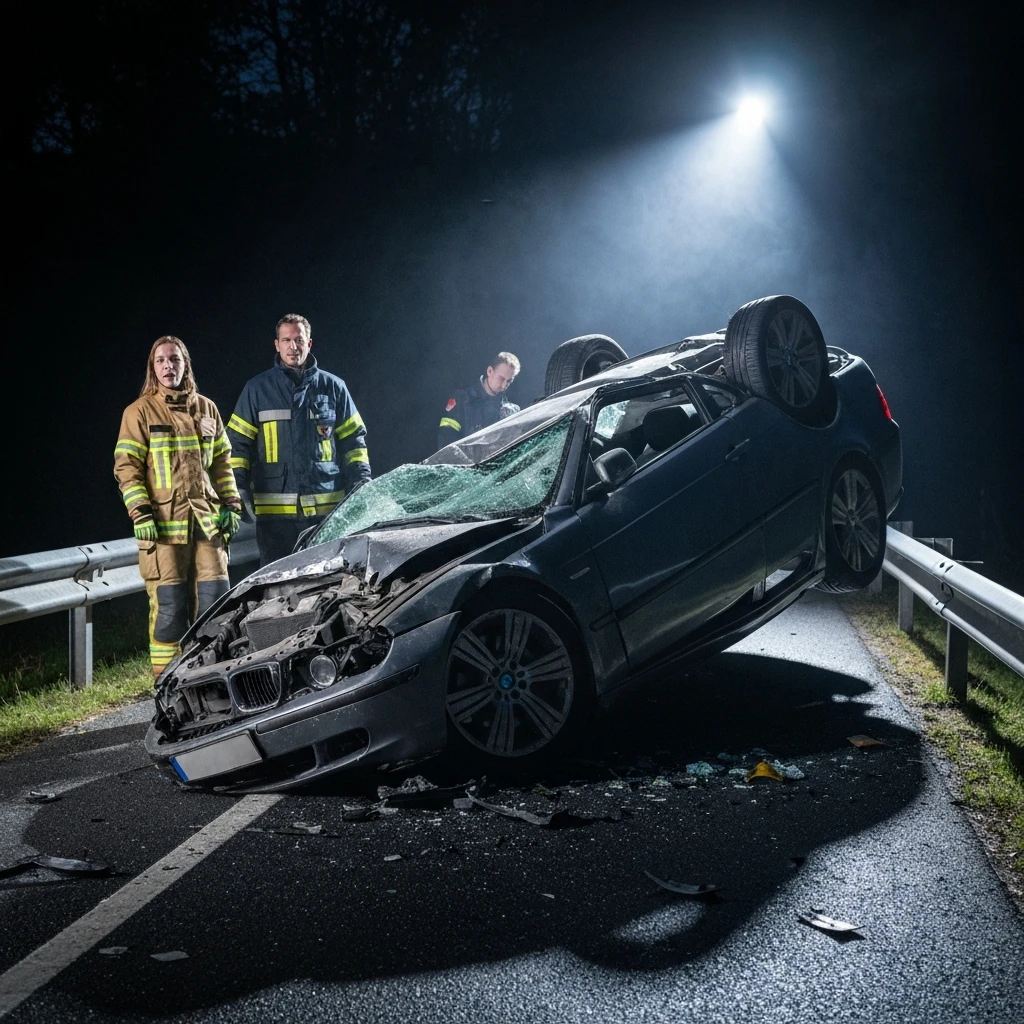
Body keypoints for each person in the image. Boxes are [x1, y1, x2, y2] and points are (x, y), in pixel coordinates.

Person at [114, 336, 242, 679]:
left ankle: (210, 680)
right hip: (162, 529)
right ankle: (167, 685)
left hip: (207, 524)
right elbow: (127, 468)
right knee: (170, 611)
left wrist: (231, 503)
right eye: (161, 360)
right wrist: (140, 511)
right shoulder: (139, 412)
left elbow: (222, 463)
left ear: (185, 364)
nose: (168, 366)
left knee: (216, 606)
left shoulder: (207, 408)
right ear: (152, 368)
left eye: (174, 359)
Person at [227, 313, 371, 566]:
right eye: (286, 340)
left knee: (327, 580)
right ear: (277, 345)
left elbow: (354, 443)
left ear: (309, 343)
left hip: (327, 514)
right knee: (277, 582)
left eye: (299, 340)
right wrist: (237, 488)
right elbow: (238, 445)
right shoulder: (256, 389)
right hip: (275, 519)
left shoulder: (334, 387)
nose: (293, 346)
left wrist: (361, 483)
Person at [437, 352, 521, 451]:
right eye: (501, 379)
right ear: (490, 371)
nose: (504, 385)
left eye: (509, 381)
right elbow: (447, 443)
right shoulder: (462, 400)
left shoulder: (509, 411)